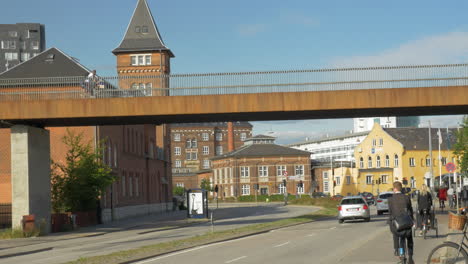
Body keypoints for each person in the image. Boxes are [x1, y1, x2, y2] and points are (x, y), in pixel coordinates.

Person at [388, 181, 414, 264]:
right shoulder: (406, 197)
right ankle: (410, 256)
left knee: (398, 236)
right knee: (409, 238)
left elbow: (390, 212)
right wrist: (413, 220)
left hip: (397, 224)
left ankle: (399, 251)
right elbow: (410, 209)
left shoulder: (390, 199)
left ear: (395, 189)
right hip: (406, 222)